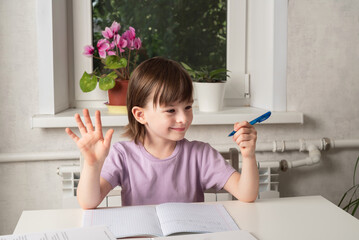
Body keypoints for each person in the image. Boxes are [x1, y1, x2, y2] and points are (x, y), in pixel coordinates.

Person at [66, 57, 259, 209]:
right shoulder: (122, 155)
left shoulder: (200, 154)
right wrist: (92, 165)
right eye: (171, 110)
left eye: (188, 106)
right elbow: (88, 203)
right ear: (140, 115)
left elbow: (246, 194)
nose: (183, 118)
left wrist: (248, 155)